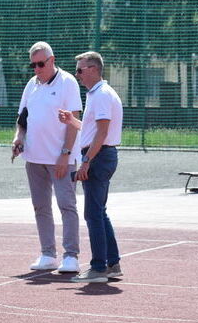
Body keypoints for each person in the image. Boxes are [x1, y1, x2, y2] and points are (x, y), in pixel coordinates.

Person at [12, 41, 83, 274]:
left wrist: (65, 154)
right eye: (33, 65)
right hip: (34, 158)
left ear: (52, 60)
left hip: (61, 159)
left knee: (66, 205)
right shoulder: (31, 85)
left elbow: (73, 121)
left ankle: (71, 256)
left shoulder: (68, 82)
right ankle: (47, 254)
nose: (36, 69)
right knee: (40, 206)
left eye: (41, 64)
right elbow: (22, 119)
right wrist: (18, 138)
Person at [58, 51, 124, 284]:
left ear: (94, 69)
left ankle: (98, 267)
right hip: (100, 154)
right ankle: (112, 263)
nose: (77, 75)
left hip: (99, 156)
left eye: (80, 70)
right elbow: (92, 130)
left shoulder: (101, 95)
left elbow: (103, 133)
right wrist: (71, 121)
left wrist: (87, 161)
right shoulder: (98, 94)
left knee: (93, 213)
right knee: (99, 211)